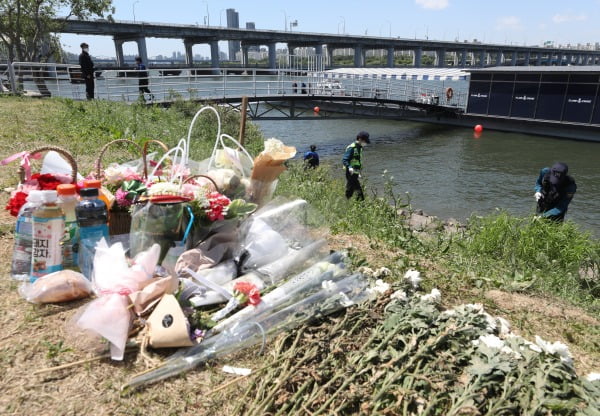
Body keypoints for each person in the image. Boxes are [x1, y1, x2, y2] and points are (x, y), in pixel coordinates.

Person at [342, 131, 370, 200]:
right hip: (350, 173)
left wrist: (359, 172)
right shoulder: (352, 147)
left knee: (353, 192)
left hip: (355, 173)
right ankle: (345, 205)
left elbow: (357, 161)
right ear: (360, 139)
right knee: (354, 192)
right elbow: (345, 159)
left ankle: (347, 204)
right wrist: (349, 167)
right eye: (365, 141)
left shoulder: (359, 147)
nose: (365, 143)